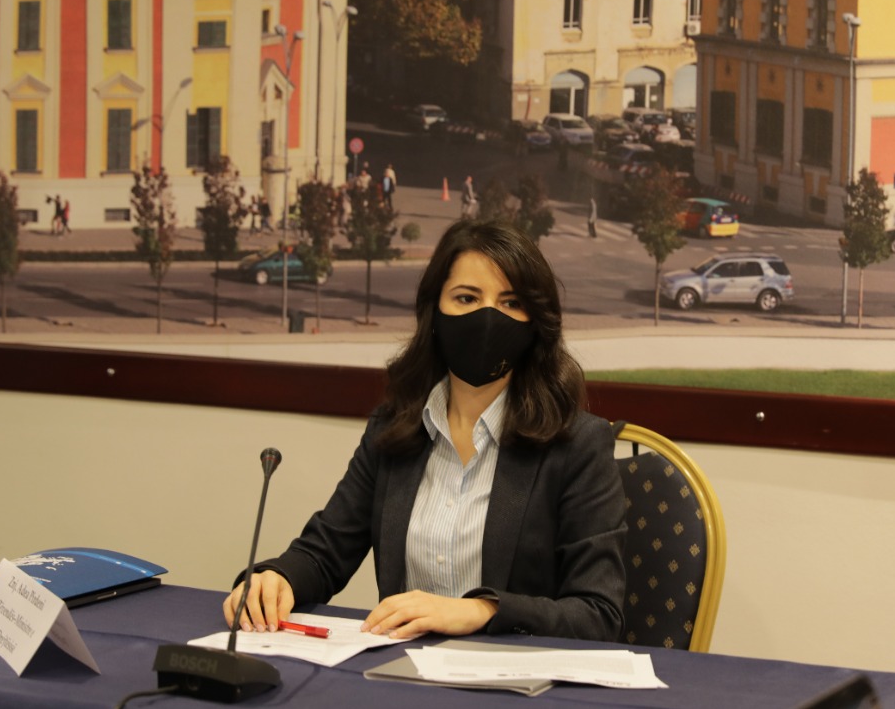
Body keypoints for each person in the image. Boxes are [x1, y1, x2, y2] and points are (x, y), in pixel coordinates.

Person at [222, 219, 626, 642]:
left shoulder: (578, 444)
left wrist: (482, 610)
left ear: (536, 320)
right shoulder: (394, 429)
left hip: (516, 675)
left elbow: (599, 614)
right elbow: (325, 553)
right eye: (467, 298)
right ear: (434, 312)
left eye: (510, 302)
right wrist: (277, 579)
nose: (488, 317)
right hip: (401, 670)